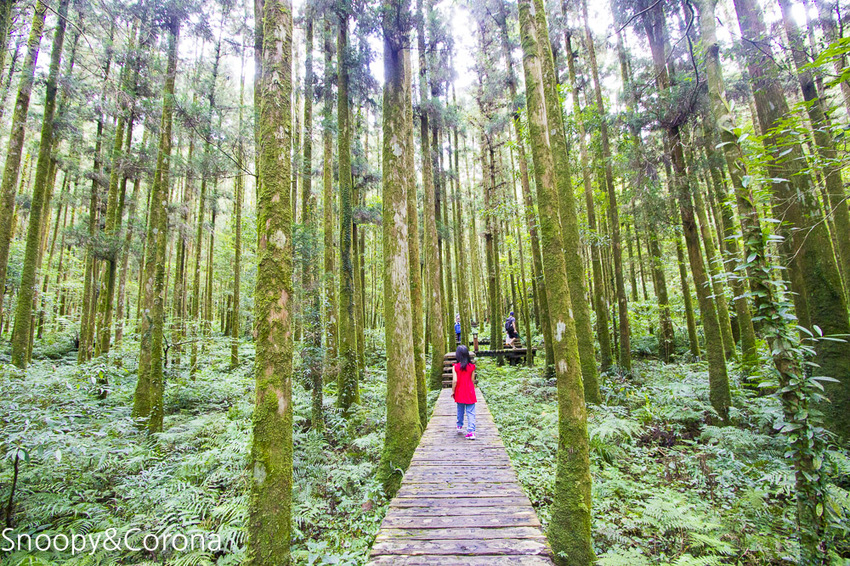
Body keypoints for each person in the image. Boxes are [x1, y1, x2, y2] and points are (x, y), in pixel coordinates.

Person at [451, 344, 477, 440]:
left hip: (460, 391)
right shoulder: (472, 367)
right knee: (471, 412)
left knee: (460, 409)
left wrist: (453, 391)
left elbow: (455, 381)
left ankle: (459, 425)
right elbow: (472, 380)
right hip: (469, 391)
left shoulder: (455, 367)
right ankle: (471, 431)